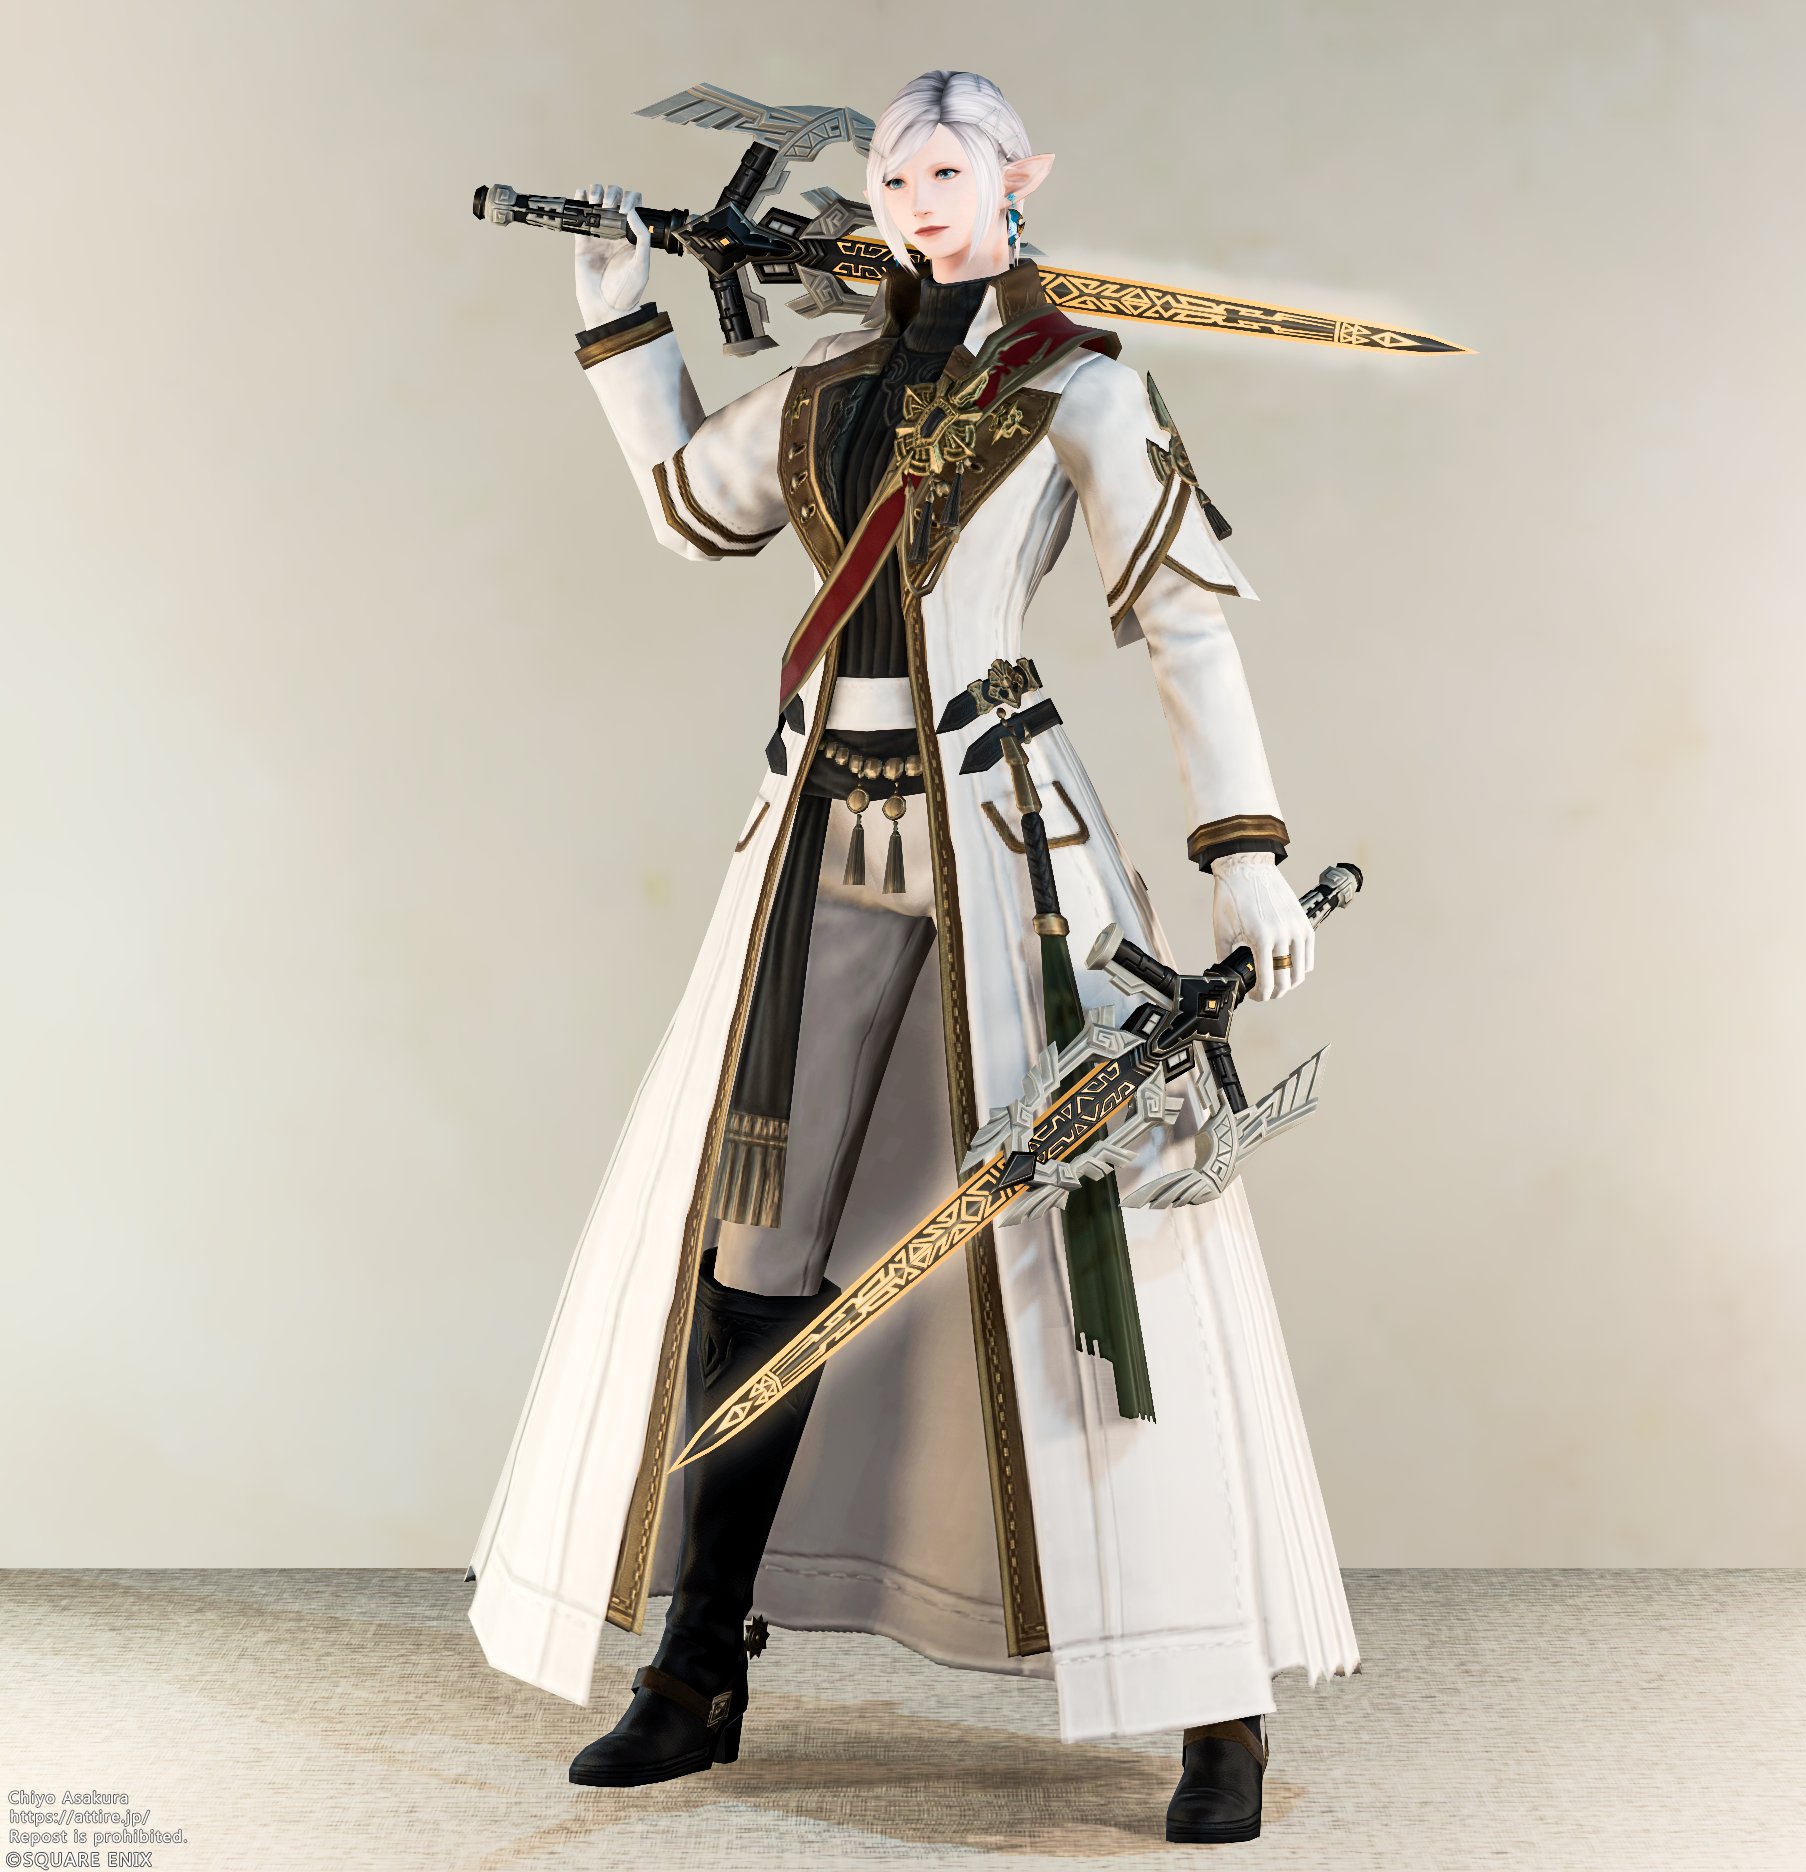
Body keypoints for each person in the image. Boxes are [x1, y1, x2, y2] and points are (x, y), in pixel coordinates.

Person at [467, 68, 1358, 1847]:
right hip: (819, 838)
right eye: (890, 171)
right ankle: (696, 1667)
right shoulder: (825, 388)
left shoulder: (1080, 382)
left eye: (945, 165)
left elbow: (1182, 618)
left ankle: (1216, 1697)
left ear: (1019, 176)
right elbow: (692, 505)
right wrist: (621, 315)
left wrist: (1246, 854)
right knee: (758, 1243)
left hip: (1011, 848)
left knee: (1106, 1240)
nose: (912, 195)